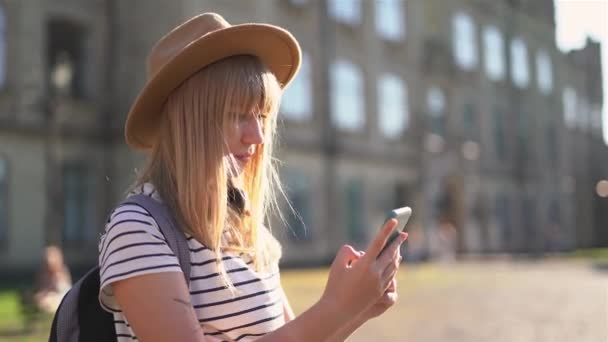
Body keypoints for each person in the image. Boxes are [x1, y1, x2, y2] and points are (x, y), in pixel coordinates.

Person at [98, 12, 408, 342]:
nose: (258, 136)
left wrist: (357, 307)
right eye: (237, 115)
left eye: (261, 116)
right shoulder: (137, 227)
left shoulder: (243, 226)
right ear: (186, 121)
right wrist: (336, 307)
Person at [33, 245, 72, 313]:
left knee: (51, 300)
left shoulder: (61, 272)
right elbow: (42, 288)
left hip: (60, 297)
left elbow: (65, 290)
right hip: (48, 296)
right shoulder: (44, 274)